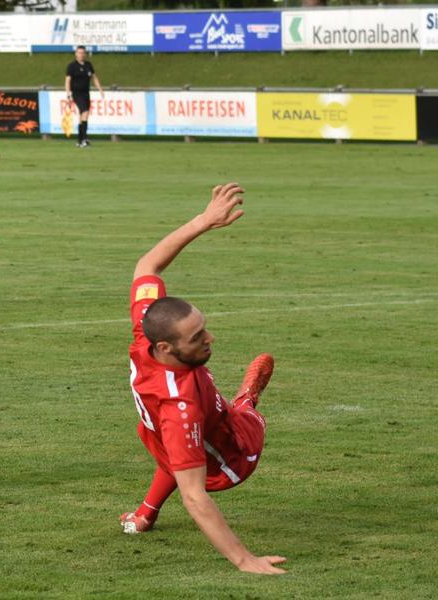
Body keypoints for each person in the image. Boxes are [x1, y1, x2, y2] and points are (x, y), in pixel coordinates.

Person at [120, 182, 288, 575]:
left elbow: (146, 266)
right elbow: (196, 498)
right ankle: (247, 400)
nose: (211, 339)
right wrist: (245, 560)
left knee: (176, 450)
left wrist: (204, 220)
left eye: (204, 328)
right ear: (165, 348)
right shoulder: (182, 409)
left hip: (162, 427)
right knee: (224, 433)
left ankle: (145, 514)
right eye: (198, 338)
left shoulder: (146, 329)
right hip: (229, 454)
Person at [64, 45, 103, 148]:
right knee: (85, 112)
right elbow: (67, 81)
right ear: (76, 54)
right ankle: (84, 140)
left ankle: (80, 140)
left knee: (82, 117)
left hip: (86, 93)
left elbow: (94, 77)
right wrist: (68, 94)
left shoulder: (88, 65)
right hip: (77, 94)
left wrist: (100, 89)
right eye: (79, 52)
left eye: (83, 53)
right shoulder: (72, 66)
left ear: (85, 54)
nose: (81, 54)